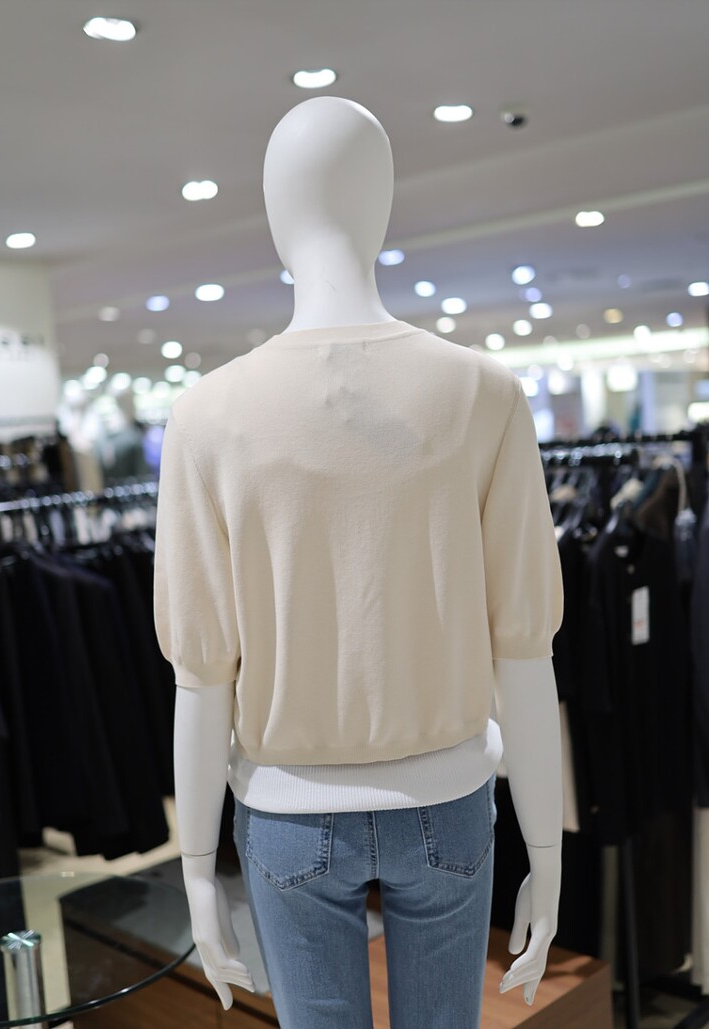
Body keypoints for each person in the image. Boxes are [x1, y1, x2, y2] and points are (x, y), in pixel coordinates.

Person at [154, 96, 564, 1029]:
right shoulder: (484, 393)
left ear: (275, 217)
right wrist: (547, 850)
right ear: (381, 208)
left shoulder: (207, 416)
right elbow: (525, 646)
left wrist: (196, 872)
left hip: (287, 816)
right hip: (449, 804)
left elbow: (201, 671)